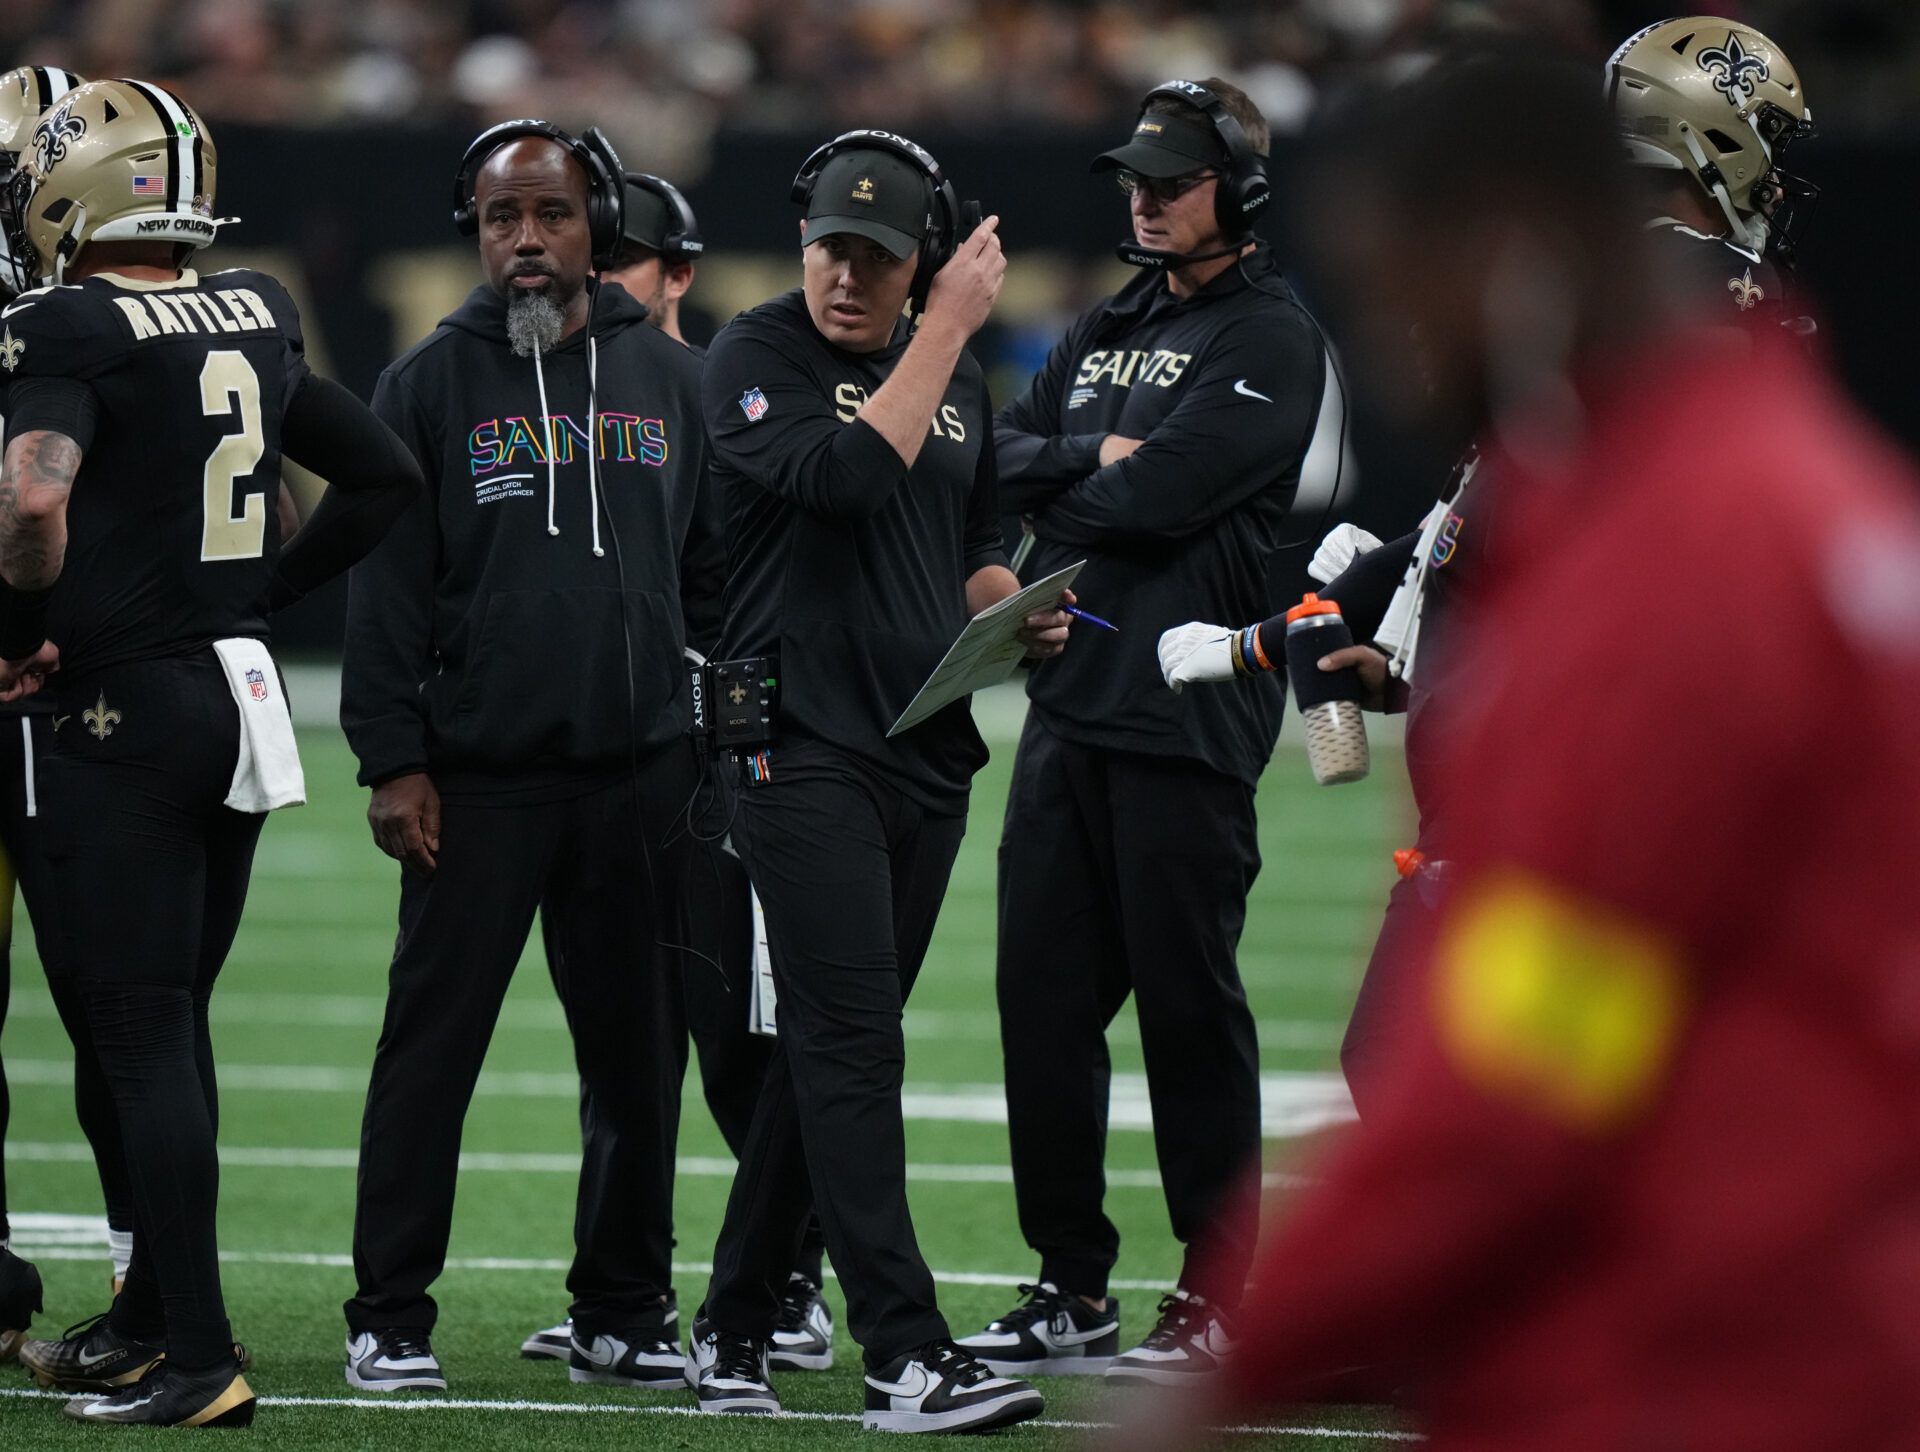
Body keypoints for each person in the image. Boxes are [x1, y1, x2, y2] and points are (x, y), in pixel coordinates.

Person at [1129, 47, 1920, 1452]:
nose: (1394, 347)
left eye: (1399, 290)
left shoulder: (1684, 550)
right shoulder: (1777, 479)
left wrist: (1252, 1361)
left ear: (1509, 244)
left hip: (1707, 1348)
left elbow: (1536, 1047)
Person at [1160, 16, 1820, 1117]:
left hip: (1579, 832)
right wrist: (1424, 647)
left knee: (1472, 1096)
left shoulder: (1652, 331)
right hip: (1557, 809)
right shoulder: (1692, 327)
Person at [0, 76, 420, 1427]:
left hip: (118, 713)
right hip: (237, 700)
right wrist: (243, 599)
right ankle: (143, 1321)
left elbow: (32, 496)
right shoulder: (256, 303)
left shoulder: (66, 318)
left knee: (132, 1030)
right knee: (166, 1028)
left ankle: (197, 1355)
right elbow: (383, 478)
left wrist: (20, 617)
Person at [684, 128, 1066, 1433]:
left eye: (880, 257)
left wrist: (1018, 608)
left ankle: (734, 1320)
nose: (847, 275)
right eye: (830, 249)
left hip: (923, 740)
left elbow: (967, 542)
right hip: (794, 743)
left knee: (823, 1054)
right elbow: (845, 481)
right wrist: (947, 328)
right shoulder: (756, 354)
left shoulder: (955, 388)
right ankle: (903, 1352)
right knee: (854, 1045)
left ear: (916, 261)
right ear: (801, 246)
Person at [956, 77, 1336, 1384]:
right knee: (1039, 1009)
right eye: (1135, 178)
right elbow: (1001, 465)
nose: (1143, 197)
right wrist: (1094, 459)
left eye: (1170, 181)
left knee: (1188, 1012)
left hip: (1189, 715)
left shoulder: (1274, 336)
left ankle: (1216, 1294)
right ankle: (1071, 1284)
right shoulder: (1108, 322)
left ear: (1239, 190)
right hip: (1070, 711)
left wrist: (1092, 466)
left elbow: (1168, 492)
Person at [338, 120, 712, 1397]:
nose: (528, 243)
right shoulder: (426, 386)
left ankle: (622, 1305)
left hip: (643, 776)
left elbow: (710, 577)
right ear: (476, 232)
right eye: (503, 220)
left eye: (550, 215)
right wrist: (394, 758)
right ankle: (388, 1313)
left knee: (636, 1061)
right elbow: (384, 596)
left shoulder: (671, 380)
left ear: (596, 222)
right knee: (430, 1054)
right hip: (480, 781)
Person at [517, 163, 835, 1376]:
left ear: (679, 275)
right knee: (624, 1044)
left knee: (741, 1036)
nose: (596, 286)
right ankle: (624, 1300)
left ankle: (789, 1283)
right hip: (623, 761)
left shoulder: (722, 388)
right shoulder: (563, 391)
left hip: (726, 755)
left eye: (622, 266)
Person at [0, 60, 120, 1361]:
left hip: (81, 683)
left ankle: (152, 1297)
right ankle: (156, 1299)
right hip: (72, 684)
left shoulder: (95, 312)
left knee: (118, 1010)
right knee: (125, 1010)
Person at [598, 171, 702, 346]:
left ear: (677, 279)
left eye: (620, 260)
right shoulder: (544, 371)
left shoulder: (712, 374)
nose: (595, 279)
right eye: (587, 261)